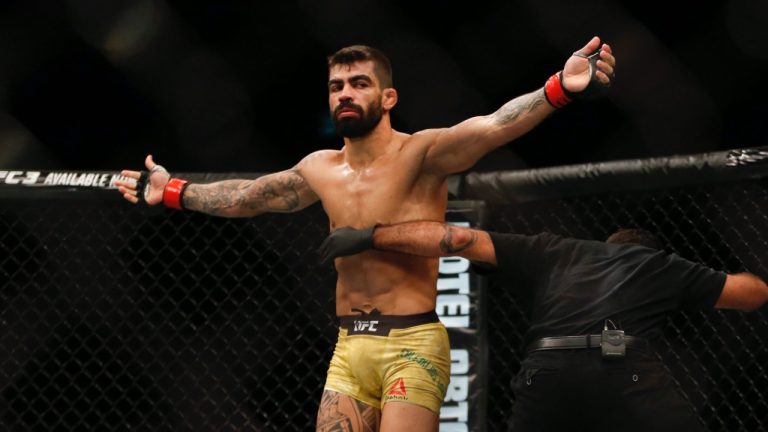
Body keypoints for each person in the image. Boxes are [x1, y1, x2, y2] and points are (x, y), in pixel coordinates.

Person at [115, 37, 617, 431]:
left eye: (358, 83)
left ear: (388, 96)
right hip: (349, 347)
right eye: (337, 86)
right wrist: (173, 190)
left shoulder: (421, 154)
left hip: (412, 343)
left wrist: (559, 88)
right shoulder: (320, 168)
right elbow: (250, 196)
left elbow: (492, 127)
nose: (346, 93)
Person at [318, 223, 768, 432]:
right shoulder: (659, 264)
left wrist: (370, 236)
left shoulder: (555, 248)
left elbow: (458, 239)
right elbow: (751, 294)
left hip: (546, 369)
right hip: (622, 363)